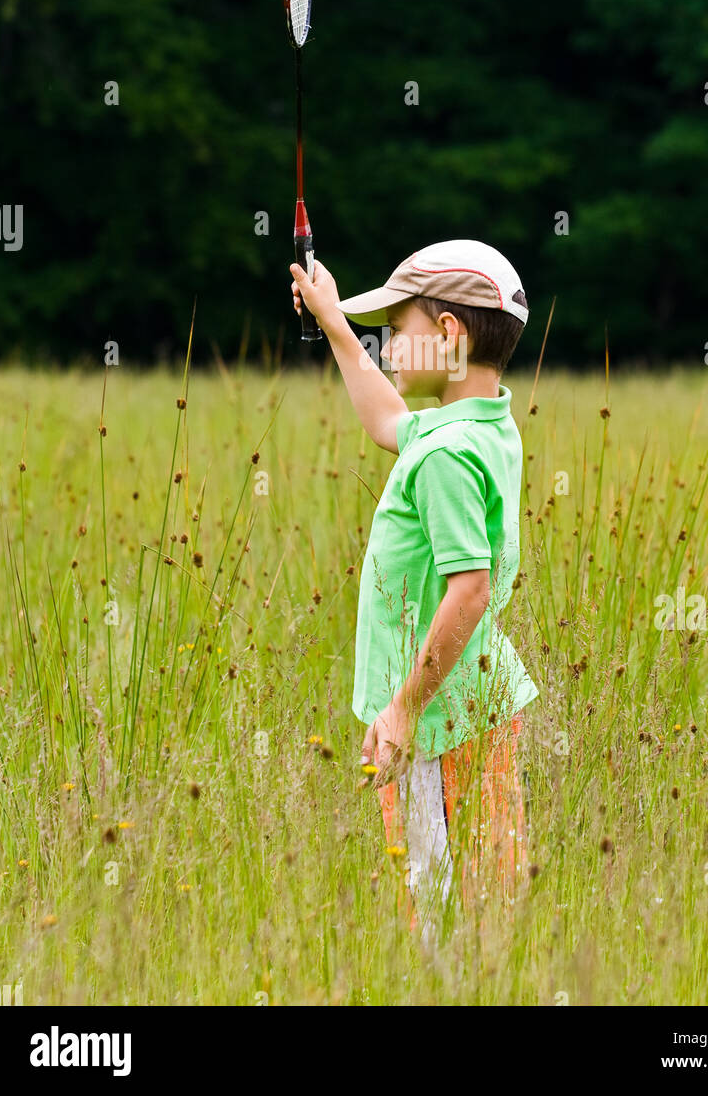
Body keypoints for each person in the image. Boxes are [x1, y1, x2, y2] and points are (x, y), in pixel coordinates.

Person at [290, 239, 539, 949]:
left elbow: (469, 592)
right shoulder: (478, 424)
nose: (388, 341)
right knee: (485, 888)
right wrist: (336, 325)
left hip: (434, 721)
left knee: (438, 908)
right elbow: (385, 421)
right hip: (470, 699)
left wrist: (402, 712)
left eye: (399, 329)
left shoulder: (447, 455)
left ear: (451, 335)